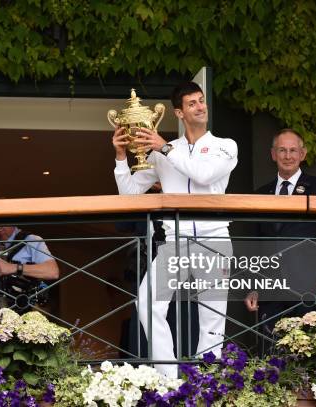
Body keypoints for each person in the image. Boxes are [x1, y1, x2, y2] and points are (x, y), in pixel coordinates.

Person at [112, 81, 238, 377]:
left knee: (212, 320)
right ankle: (168, 378)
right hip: (174, 242)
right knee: (146, 304)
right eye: (192, 103)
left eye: (202, 100)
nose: (200, 106)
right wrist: (120, 158)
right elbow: (129, 195)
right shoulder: (162, 152)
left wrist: (164, 147)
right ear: (179, 113)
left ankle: (207, 384)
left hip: (214, 239)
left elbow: (204, 175)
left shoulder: (225, 145)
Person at [244, 128, 316, 354]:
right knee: (269, 352)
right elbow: (254, 244)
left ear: (302, 154)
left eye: (293, 150)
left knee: (310, 353)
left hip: (309, 288)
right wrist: (254, 286)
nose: (288, 156)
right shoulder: (260, 194)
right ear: (273, 154)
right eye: (282, 150)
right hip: (271, 289)